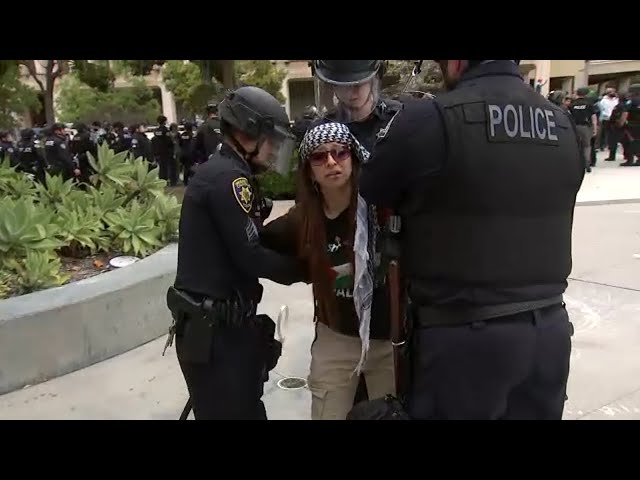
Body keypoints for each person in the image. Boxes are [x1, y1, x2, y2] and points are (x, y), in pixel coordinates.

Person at [360, 59, 584, 420]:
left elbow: (371, 186)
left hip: (464, 338)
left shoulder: (430, 119)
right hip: (549, 332)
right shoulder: (563, 123)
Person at [169, 86, 303, 420]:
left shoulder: (229, 170)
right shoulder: (228, 179)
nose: (274, 150)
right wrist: (308, 269)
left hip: (223, 330)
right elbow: (251, 255)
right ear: (247, 133)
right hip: (216, 336)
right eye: (271, 140)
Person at [260, 122, 395, 420]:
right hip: (336, 338)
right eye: (320, 157)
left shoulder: (382, 208)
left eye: (340, 153)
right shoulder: (304, 220)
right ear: (309, 171)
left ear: (353, 158)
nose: (331, 162)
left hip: (386, 338)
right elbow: (259, 244)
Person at [311, 59, 402, 405]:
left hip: (392, 298)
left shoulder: (401, 123)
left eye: (358, 83)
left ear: (375, 76)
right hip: (340, 298)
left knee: (387, 406)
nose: (351, 94)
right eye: (342, 85)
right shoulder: (324, 133)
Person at [569, 87, 598, 173]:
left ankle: (576, 163)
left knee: (576, 146)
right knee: (587, 146)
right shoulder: (589, 104)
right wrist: (594, 128)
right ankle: (587, 163)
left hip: (574, 127)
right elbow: (593, 117)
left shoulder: (572, 104)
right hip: (585, 127)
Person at [619, 84, 640, 167]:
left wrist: (621, 123)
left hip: (632, 125)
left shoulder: (631, 101)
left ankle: (630, 160)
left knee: (628, 142)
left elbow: (625, 113)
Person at [151, 115, 176, 184]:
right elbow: (169, 141)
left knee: (161, 167)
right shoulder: (166, 130)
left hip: (158, 151)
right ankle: (167, 180)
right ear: (165, 122)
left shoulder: (156, 131)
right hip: (166, 151)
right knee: (167, 166)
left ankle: (161, 179)